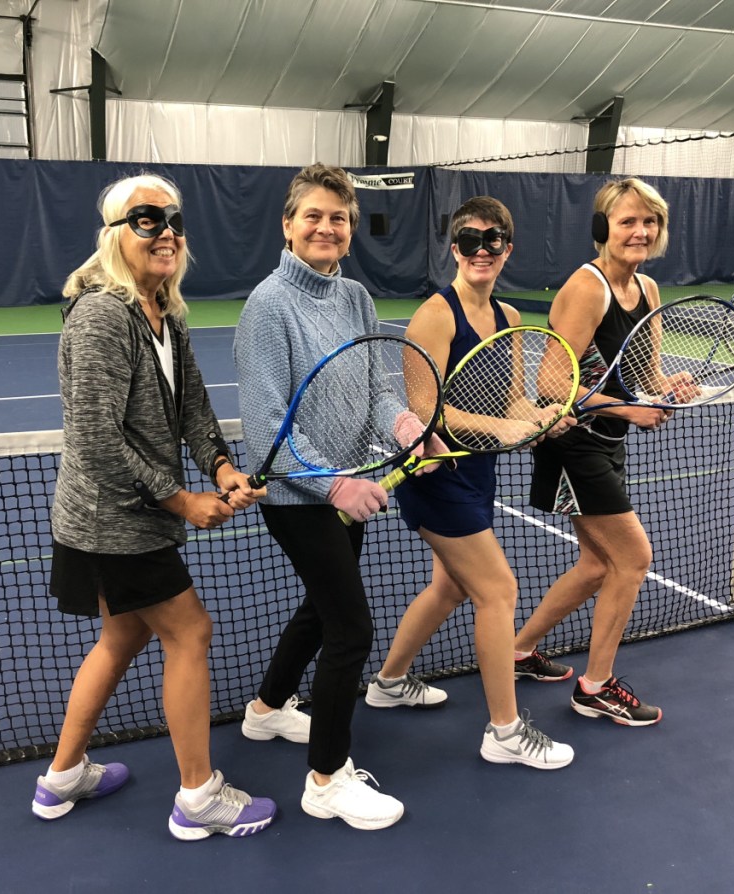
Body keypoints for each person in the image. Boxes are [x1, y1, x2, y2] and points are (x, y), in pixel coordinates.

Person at [32, 173, 277, 840]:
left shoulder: (163, 312)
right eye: (146, 219)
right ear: (116, 236)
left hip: (130, 518)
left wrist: (221, 467)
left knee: (124, 634)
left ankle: (61, 778)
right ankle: (198, 796)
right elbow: (96, 439)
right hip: (113, 522)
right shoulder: (104, 315)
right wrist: (182, 500)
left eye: (172, 219)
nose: (166, 230)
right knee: (189, 631)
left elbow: (192, 408)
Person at [234, 163, 446, 830]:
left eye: (339, 218)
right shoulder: (268, 306)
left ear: (351, 232)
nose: (327, 227)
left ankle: (267, 711)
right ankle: (326, 780)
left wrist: (407, 424)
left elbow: (377, 388)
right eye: (315, 216)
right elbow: (268, 429)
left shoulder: (354, 298)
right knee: (351, 629)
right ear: (289, 226)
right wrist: (335, 483)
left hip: (348, 488)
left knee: (324, 611)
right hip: (300, 501)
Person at [364, 196, 576, 770]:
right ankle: (504, 732)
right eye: (470, 240)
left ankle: (388, 681)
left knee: (451, 588)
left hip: (479, 471)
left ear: (508, 249)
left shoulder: (507, 319)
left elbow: (511, 400)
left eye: (494, 241)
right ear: (453, 248)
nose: (481, 251)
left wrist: (539, 417)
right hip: (435, 473)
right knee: (497, 590)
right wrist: (504, 425)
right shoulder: (435, 315)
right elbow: (424, 412)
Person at [514, 177, 672, 727]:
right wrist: (628, 410)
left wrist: (665, 389)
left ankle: (516, 650)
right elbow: (555, 385)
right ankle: (595, 687)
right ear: (603, 228)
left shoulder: (648, 291)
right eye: (628, 221)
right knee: (632, 558)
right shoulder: (588, 288)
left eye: (649, 221)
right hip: (572, 445)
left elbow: (643, 376)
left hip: (608, 442)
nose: (640, 231)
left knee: (595, 564)